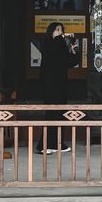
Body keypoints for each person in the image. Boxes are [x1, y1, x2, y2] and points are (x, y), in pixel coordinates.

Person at [36, 22, 79, 154]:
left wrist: (73, 50)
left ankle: (57, 143)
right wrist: (64, 36)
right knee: (51, 113)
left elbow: (71, 62)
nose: (60, 32)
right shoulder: (47, 43)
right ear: (51, 32)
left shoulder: (60, 45)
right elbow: (53, 48)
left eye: (62, 30)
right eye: (58, 30)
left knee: (60, 114)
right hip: (50, 85)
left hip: (60, 84)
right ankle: (43, 145)